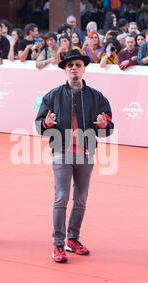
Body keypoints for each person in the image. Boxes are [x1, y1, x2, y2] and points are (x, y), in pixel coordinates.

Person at [34, 49, 114, 263]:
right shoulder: (52, 96)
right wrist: (46, 124)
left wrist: (105, 125)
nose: (74, 68)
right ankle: (58, 243)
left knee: (81, 200)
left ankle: (73, 239)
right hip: (61, 152)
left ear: (84, 68)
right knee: (61, 198)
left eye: (77, 64)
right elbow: (39, 125)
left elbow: (108, 127)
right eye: (70, 65)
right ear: (65, 69)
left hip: (86, 153)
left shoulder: (97, 97)